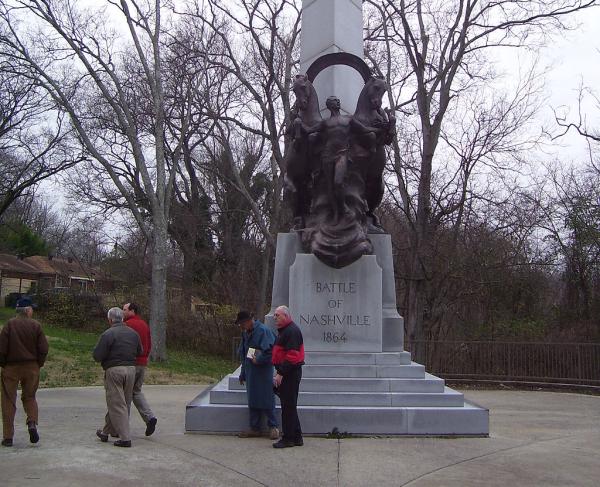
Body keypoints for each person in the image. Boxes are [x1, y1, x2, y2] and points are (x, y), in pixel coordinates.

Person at [0, 296, 48, 447]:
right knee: (29, 397)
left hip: (11, 367)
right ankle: (32, 422)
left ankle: (8, 437)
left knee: (8, 399)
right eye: (32, 309)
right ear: (27, 310)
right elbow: (43, 348)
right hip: (31, 367)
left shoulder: (9, 325)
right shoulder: (36, 326)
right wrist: (38, 364)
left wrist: (3, 364)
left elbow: (1, 348)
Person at [93, 307, 142, 447]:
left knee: (116, 403)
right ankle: (105, 432)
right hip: (131, 370)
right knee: (123, 402)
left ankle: (125, 438)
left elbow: (97, 356)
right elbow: (140, 351)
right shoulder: (133, 333)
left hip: (114, 370)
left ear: (110, 320)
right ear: (122, 318)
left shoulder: (108, 334)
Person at [236, 310, 279, 440]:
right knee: (253, 399)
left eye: (242, 324)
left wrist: (259, 360)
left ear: (249, 321)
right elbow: (245, 354)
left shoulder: (263, 331)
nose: (241, 327)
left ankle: (273, 427)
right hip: (251, 372)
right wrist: (243, 373)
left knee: (266, 398)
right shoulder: (246, 334)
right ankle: (254, 428)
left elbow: (271, 351)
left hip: (263, 372)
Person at [271, 305, 304, 449]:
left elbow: (292, 356)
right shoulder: (285, 331)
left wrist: (280, 373)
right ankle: (296, 436)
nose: (275, 318)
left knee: (288, 407)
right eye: (275, 316)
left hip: (290, 373)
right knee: (289, 406)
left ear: (286, 316)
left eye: (277, 315)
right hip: (287, 372)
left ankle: (288, 438)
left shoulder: (291, 331)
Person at [123, 302, 157, 436]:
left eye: (125, 309)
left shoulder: (128, 325)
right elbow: (149, 343)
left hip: (131, 363)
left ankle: (122, 426)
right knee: (136, 392)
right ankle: (150, 418)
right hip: (142, 363)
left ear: (132, 311)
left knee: (126, 395)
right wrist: (145, 357)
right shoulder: (144, 324)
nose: (123, 312)